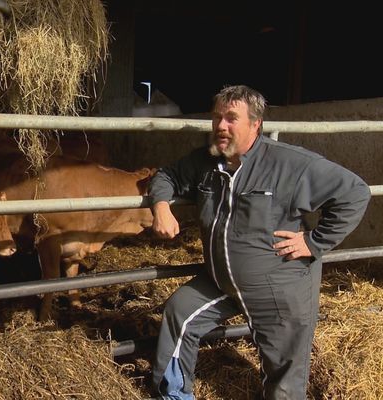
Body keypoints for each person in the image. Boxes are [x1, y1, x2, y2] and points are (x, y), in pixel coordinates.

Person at [148, 84, 371, 399]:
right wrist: (161, 208)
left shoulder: (289, 164)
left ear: (255, 124)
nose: (221, 126)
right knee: (180, 313)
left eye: (231, 118)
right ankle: (173, 393)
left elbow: (355, 192)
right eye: (216, 118)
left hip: (277, 286)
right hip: (221, 280)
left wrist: (314, 241)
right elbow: (166, 176)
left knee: (284, 373)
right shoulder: (206, 161)